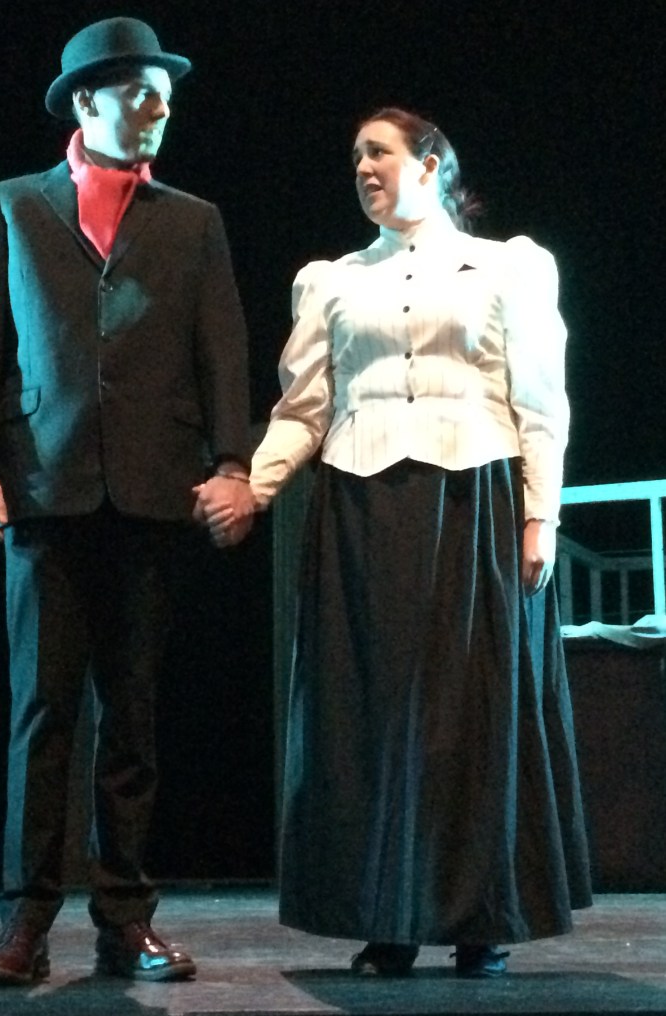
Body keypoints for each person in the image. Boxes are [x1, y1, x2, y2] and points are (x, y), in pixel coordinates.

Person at [194, 107, 592, 977]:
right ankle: (390, 918)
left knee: (472, 714)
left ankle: (481, 918)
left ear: (432, 163)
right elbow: (304, 407)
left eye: (379, 152)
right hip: (360, 509)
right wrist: (256, 487)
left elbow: (541, 402)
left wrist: (541, 516)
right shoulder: (331, 282)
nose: (363, 168)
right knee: (372, 717)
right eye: (355, 158)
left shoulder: (509, 266)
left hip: (473, 500)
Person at [0, 16, 252, 986]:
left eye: (165, 95)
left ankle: (126, 921)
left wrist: (233, 461)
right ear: (87, 101)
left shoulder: (193, 220)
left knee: (133, 718)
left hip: (155, 490)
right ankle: (23, 925)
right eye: (141, 92)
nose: (160, 107)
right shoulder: (10, 206)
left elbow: (222, 349)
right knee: (43, 714)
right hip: (45, 487)